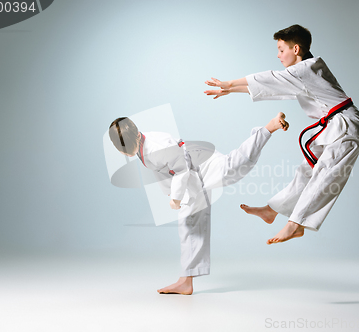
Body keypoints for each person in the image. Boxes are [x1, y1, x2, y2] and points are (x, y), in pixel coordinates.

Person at [204, 24, 359, 245]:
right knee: (306, 172)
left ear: (296, 49)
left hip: (347, 127)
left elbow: (270, 79)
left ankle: (296, 224)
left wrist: (230, 84)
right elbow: (274, 86)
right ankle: (272, 210)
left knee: (326, 174)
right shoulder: (306, 70)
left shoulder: (306, 70)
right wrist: (230, 89)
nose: (278, 54)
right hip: (333, 127)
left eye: (281, 49)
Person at [108, 112, 289, 295]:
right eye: (123, 150)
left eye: (128, 148)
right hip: (191, 179)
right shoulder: (142, 146)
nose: (126, 153)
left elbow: (180, 167)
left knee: (234, 166)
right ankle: (186, 281)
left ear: (138, 135)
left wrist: (176, 198)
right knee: (188, 223)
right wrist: (170, 193)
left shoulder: (155, 148)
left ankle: (268, 128)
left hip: (201, 164)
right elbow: (161, 169)